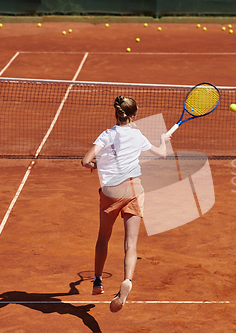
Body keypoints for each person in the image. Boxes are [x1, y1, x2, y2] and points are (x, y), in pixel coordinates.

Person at [82, 96, 171, 312]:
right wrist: (164, 140)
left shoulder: (106, 135)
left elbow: (85, 161)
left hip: (110, 193)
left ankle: (97, 280)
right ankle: (127, 280)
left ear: (117, 114)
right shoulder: (138, 136)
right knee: (131, 243)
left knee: (103, 237)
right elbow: (162, 154)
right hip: (132, 190)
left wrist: (95, 165)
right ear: (134, 115)